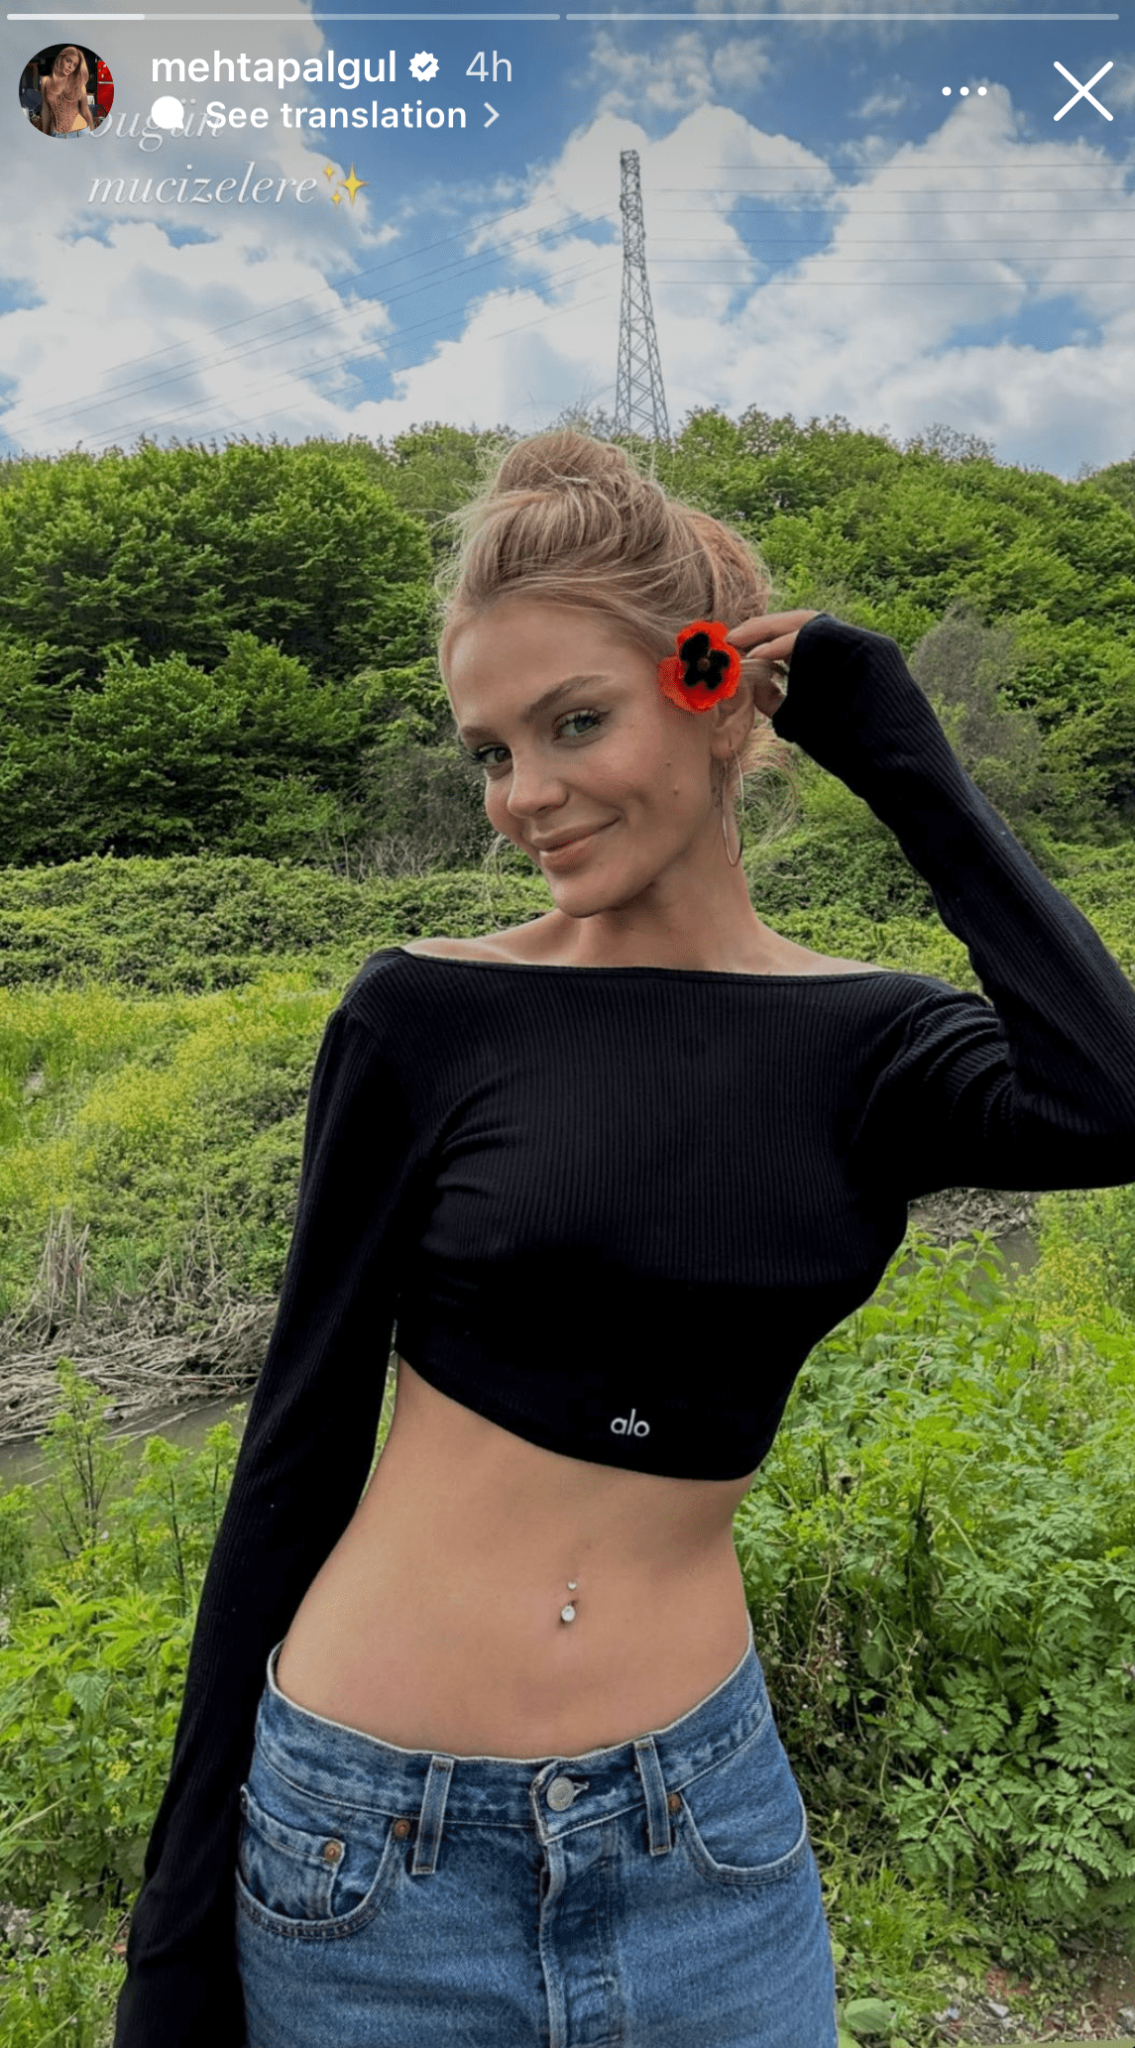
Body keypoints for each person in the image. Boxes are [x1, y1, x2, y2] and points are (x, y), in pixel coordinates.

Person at [112, 429, 1135, 2048]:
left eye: (574, 721)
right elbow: (292, 1448)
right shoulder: (424, 1015)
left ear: (718, 698)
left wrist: (907, 764)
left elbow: (1110, 1100)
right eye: (492, 749)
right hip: (367, 1844)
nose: (522, 796)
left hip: (698, 1840)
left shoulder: (870, 1046)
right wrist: (172, 1945)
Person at [34, 45, 94, 134]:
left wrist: (93, 134)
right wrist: (45, 133)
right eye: (68, 61)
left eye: (75, 65)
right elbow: (46, 109)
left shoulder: (79, 84)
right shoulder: (45, 81)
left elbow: (85, 111)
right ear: (60, 59)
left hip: (80, 132)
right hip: (56, 134)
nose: (70, 66)